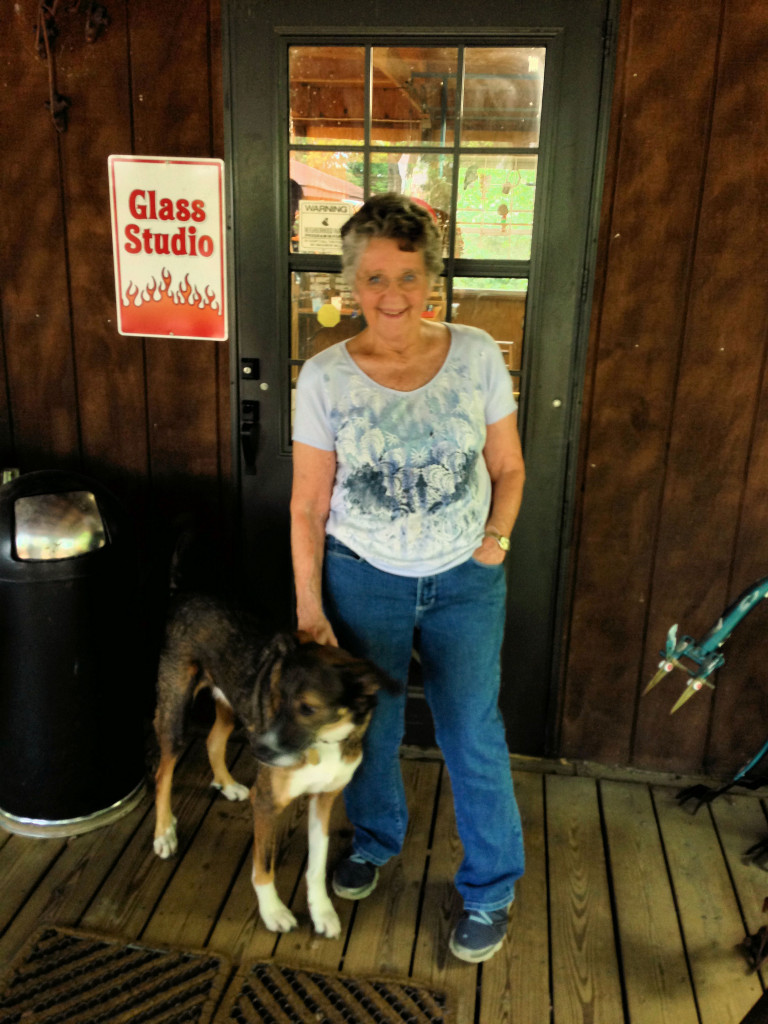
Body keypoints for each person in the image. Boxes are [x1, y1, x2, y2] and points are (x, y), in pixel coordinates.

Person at [290, 192, 525, 963]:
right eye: (375, 278)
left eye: (409, 276)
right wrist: (310, 608)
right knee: (373, 727)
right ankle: (376, 839)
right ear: (352, 283)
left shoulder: (477, 354)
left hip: (466, 581)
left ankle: (490, 887)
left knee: (472, 732)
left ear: (432, 280)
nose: (393, 295)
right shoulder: (324, 378)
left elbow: (509, 467)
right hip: (364, 581)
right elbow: (307, 505)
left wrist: (494, 543)